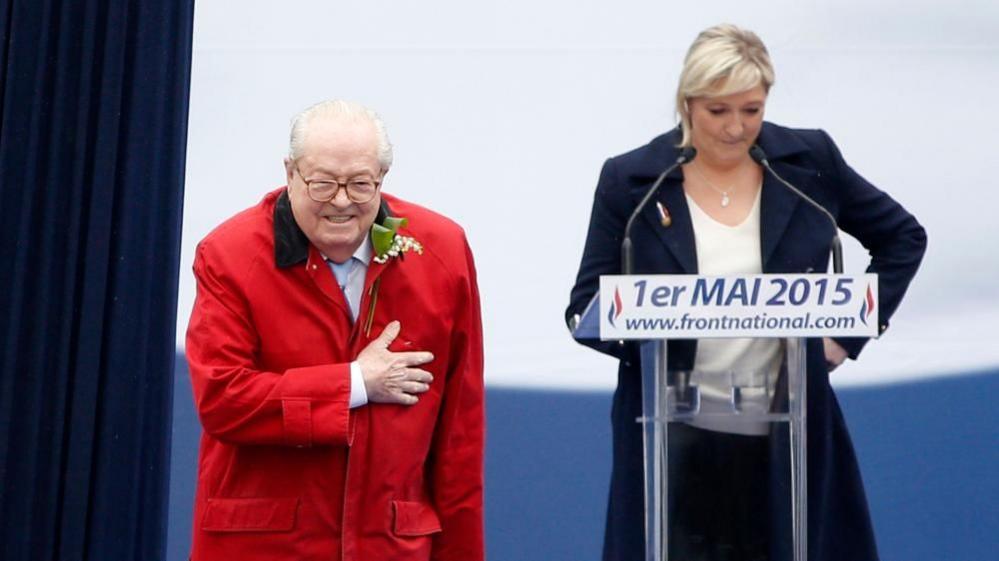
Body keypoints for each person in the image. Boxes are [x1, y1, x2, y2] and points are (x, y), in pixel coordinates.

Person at [566, 24, 926, 561]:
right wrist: (648, 337)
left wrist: (844, 337)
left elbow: (902, 238)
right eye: (719, 111)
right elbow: (584, 307)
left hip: (789, 428)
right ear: (687, 104)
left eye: (752, 110)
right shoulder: (633, 180)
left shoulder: (808, 163)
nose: (737, 129)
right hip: (670, 436)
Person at [186, 100, 484, 561]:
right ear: (290, 173)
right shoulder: (229, 255)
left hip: (391, 546)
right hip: (265, 546)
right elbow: (223, 399)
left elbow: (459, 438)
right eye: (323, 183)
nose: (342, 201)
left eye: (361, 185)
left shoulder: (440, 252)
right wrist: (355, 383)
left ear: (383, 177)